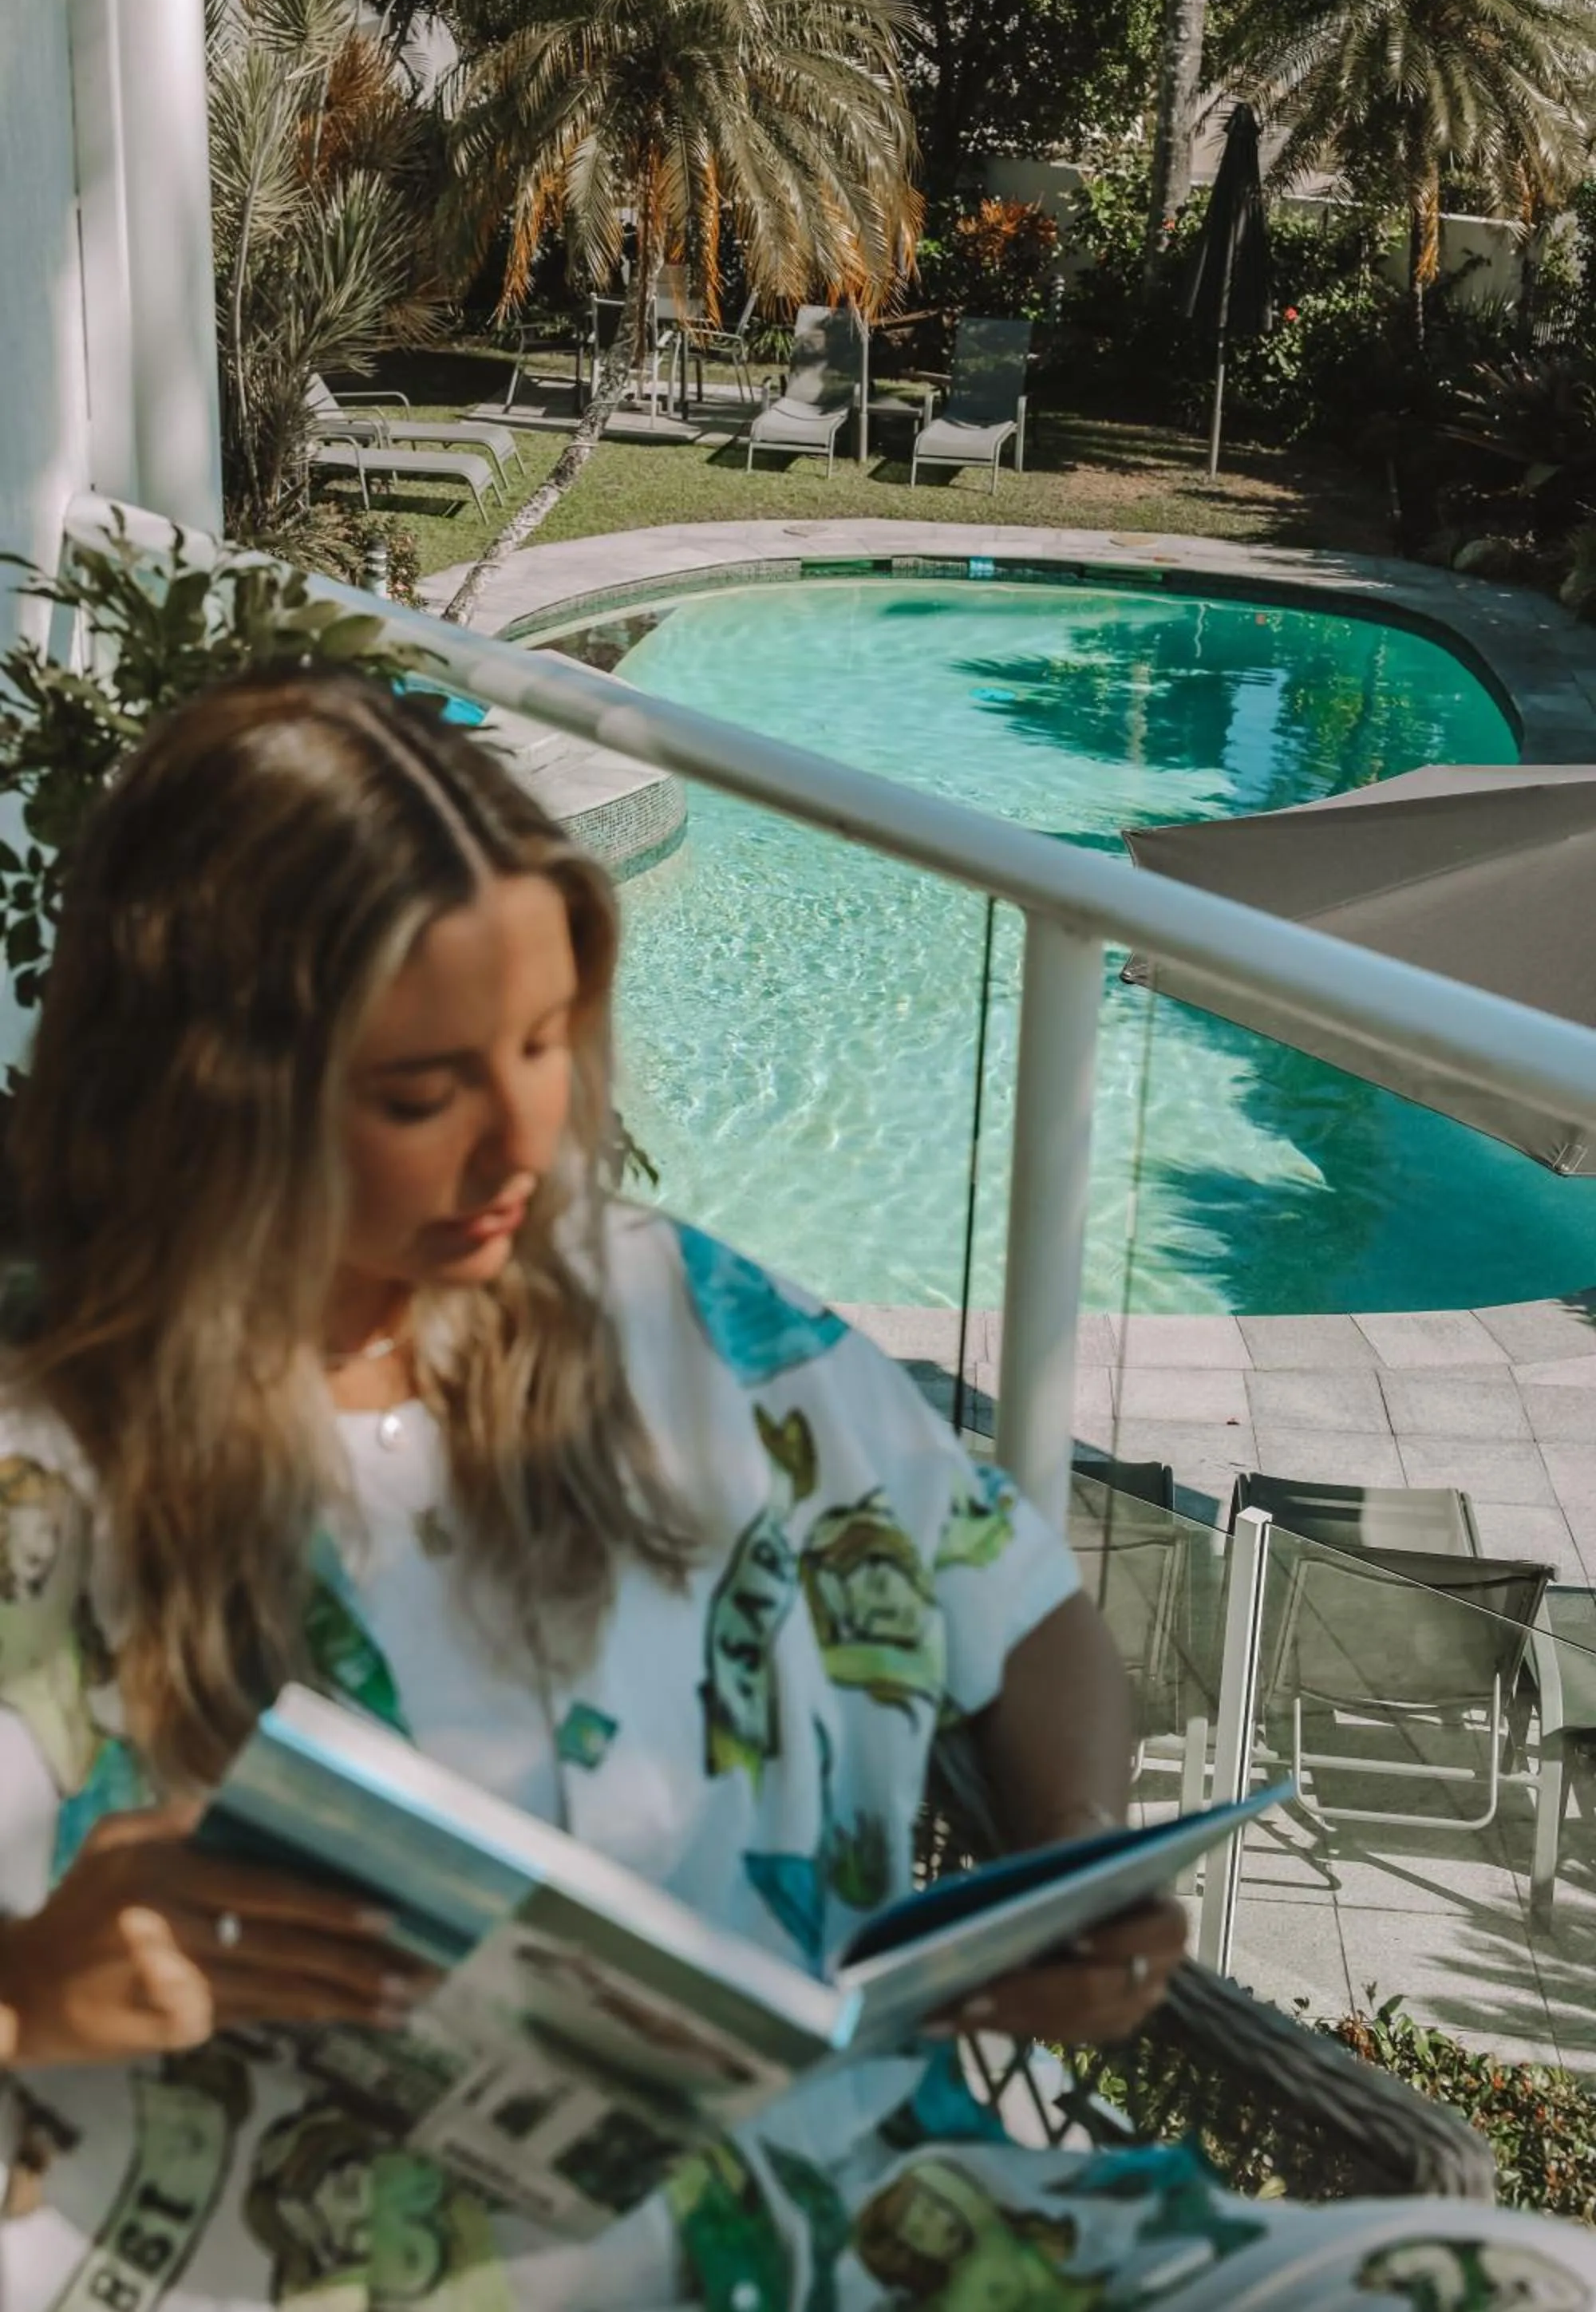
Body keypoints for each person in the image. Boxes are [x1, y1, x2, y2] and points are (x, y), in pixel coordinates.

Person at [0, 673, 1586, 2312]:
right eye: (421, 1096)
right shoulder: (48, 1490)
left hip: (865, 2213)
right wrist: (34, 1992)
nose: (519, 1146)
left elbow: (1023, 1606)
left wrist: (1068, 1859)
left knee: (1511, 2282)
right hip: (339, 2265)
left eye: (548, 1045)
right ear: (213, 1094)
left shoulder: (685, 1318)